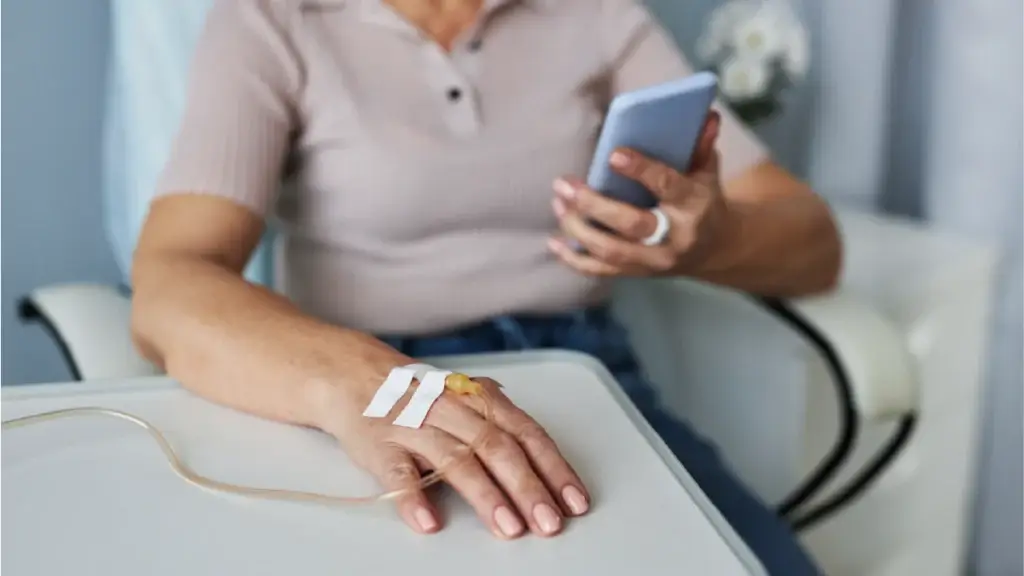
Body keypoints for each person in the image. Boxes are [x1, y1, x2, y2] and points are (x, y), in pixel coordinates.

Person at [131, 0, 840, 573]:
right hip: (371, 391)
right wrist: (372, 385)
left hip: (588, 376)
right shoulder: (273, 19)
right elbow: (170, 284)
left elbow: (816, 247)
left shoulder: (594, 15)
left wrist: (709, 241)